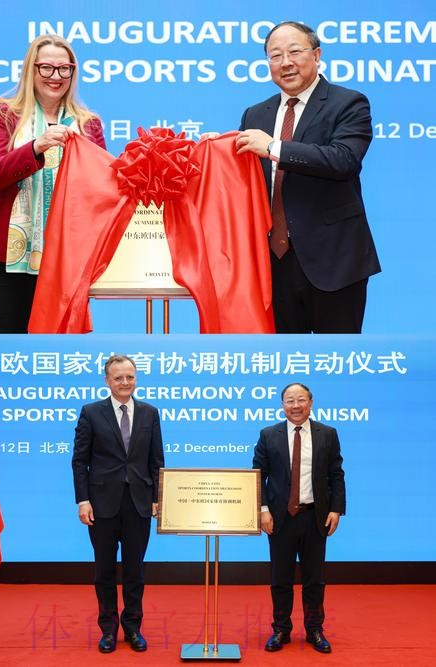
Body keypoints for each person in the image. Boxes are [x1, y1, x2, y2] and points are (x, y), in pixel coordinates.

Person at [236, 21, 381, 333]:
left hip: (334, 259)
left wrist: (274, 147)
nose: (285, 62)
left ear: (316, 55)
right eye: (276, 56)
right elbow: (242, 178)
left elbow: (343, 160)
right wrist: (217, 150)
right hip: (272, 261)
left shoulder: (348, 103)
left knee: (336, 356)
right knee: (282, 357)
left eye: (294, 52)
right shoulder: (255, 114)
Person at [0, 34, 106, 333]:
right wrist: (36, 147)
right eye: (46, 67)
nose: (56, 76)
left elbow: (102, 186)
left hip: (67, 256)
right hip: (8, 253)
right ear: (31, 69)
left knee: (59, 346)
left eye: (64, 68)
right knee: (5, 346)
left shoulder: (88, 123)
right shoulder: (6, 113)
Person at [72, 355, 164, 654]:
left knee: (135, 570)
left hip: (139, 503)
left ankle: (133, 627)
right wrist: (83, 500)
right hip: (101, 504)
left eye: (130, 377)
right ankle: (108, 629)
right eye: (119, 378)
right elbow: (80, 461)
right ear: (107, 381)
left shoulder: (150, 413)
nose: (125, 382)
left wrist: (157, 498)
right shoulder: (91, 412)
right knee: (105, 570)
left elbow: (157, 460)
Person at [252, 382, 345, 654]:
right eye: (290, 400)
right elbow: (258, 475)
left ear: (310, 403)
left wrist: (336, 509)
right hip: (280, 518)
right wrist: (263, 510)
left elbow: (336, 474)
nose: (295, 405)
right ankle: (281, 629)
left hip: (315, 516)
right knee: (280, 579)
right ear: (283, 405)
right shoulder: (269, 434)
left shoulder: (327, 434)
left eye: (301, 400)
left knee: (314, 579)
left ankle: (315, 629)